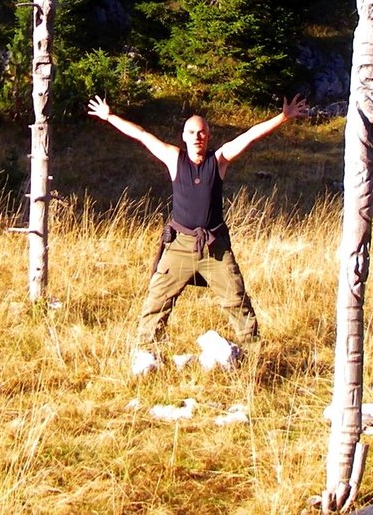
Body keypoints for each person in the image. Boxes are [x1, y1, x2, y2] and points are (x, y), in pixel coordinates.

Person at [87, 93, 310, 373]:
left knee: (236, 299)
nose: (197, 136)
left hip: (214, 247)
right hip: (179, 245)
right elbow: (142, 135)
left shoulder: (218, 161)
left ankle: (253, 358)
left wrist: (283, 117)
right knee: (157, 299)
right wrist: (110, 117)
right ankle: (147, 354)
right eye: (192, 132)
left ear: (209, 135)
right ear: (184, 136)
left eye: (202, 132)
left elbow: (251, 136)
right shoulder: (173, 158)